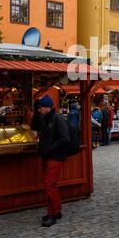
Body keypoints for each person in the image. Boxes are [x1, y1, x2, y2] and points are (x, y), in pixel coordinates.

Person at [36, 95, 70, 227]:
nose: (39, 109)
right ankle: (55, 211)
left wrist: (50, 149)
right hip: (48, 156)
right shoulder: (46, 118)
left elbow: (65, 138)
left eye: (41, 107)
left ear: (47, 107)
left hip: (55, 157)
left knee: (50, 185)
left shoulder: (58, 119)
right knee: (51, 185)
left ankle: (53, 214)